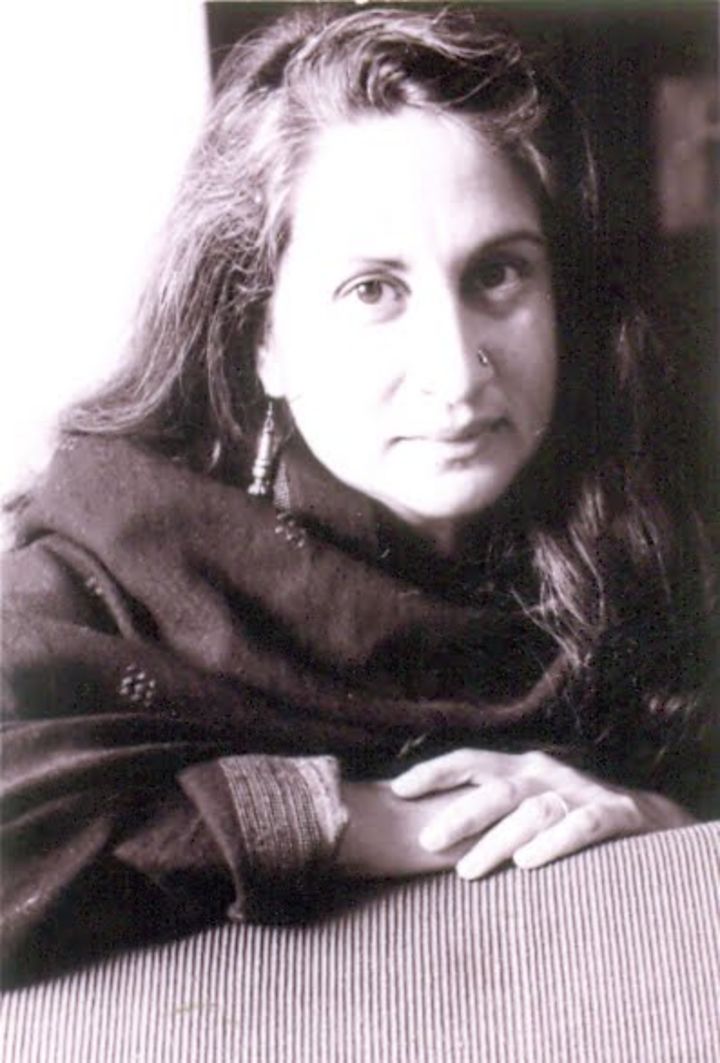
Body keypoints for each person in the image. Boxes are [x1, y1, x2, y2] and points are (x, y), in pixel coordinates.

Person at [2, 5, 717, 987]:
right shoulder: (115, 569)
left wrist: (662, 825)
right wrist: (360, 816)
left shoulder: (649, 524)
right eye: (374, 291)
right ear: (262, 339)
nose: (457, 373)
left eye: (498, 274)